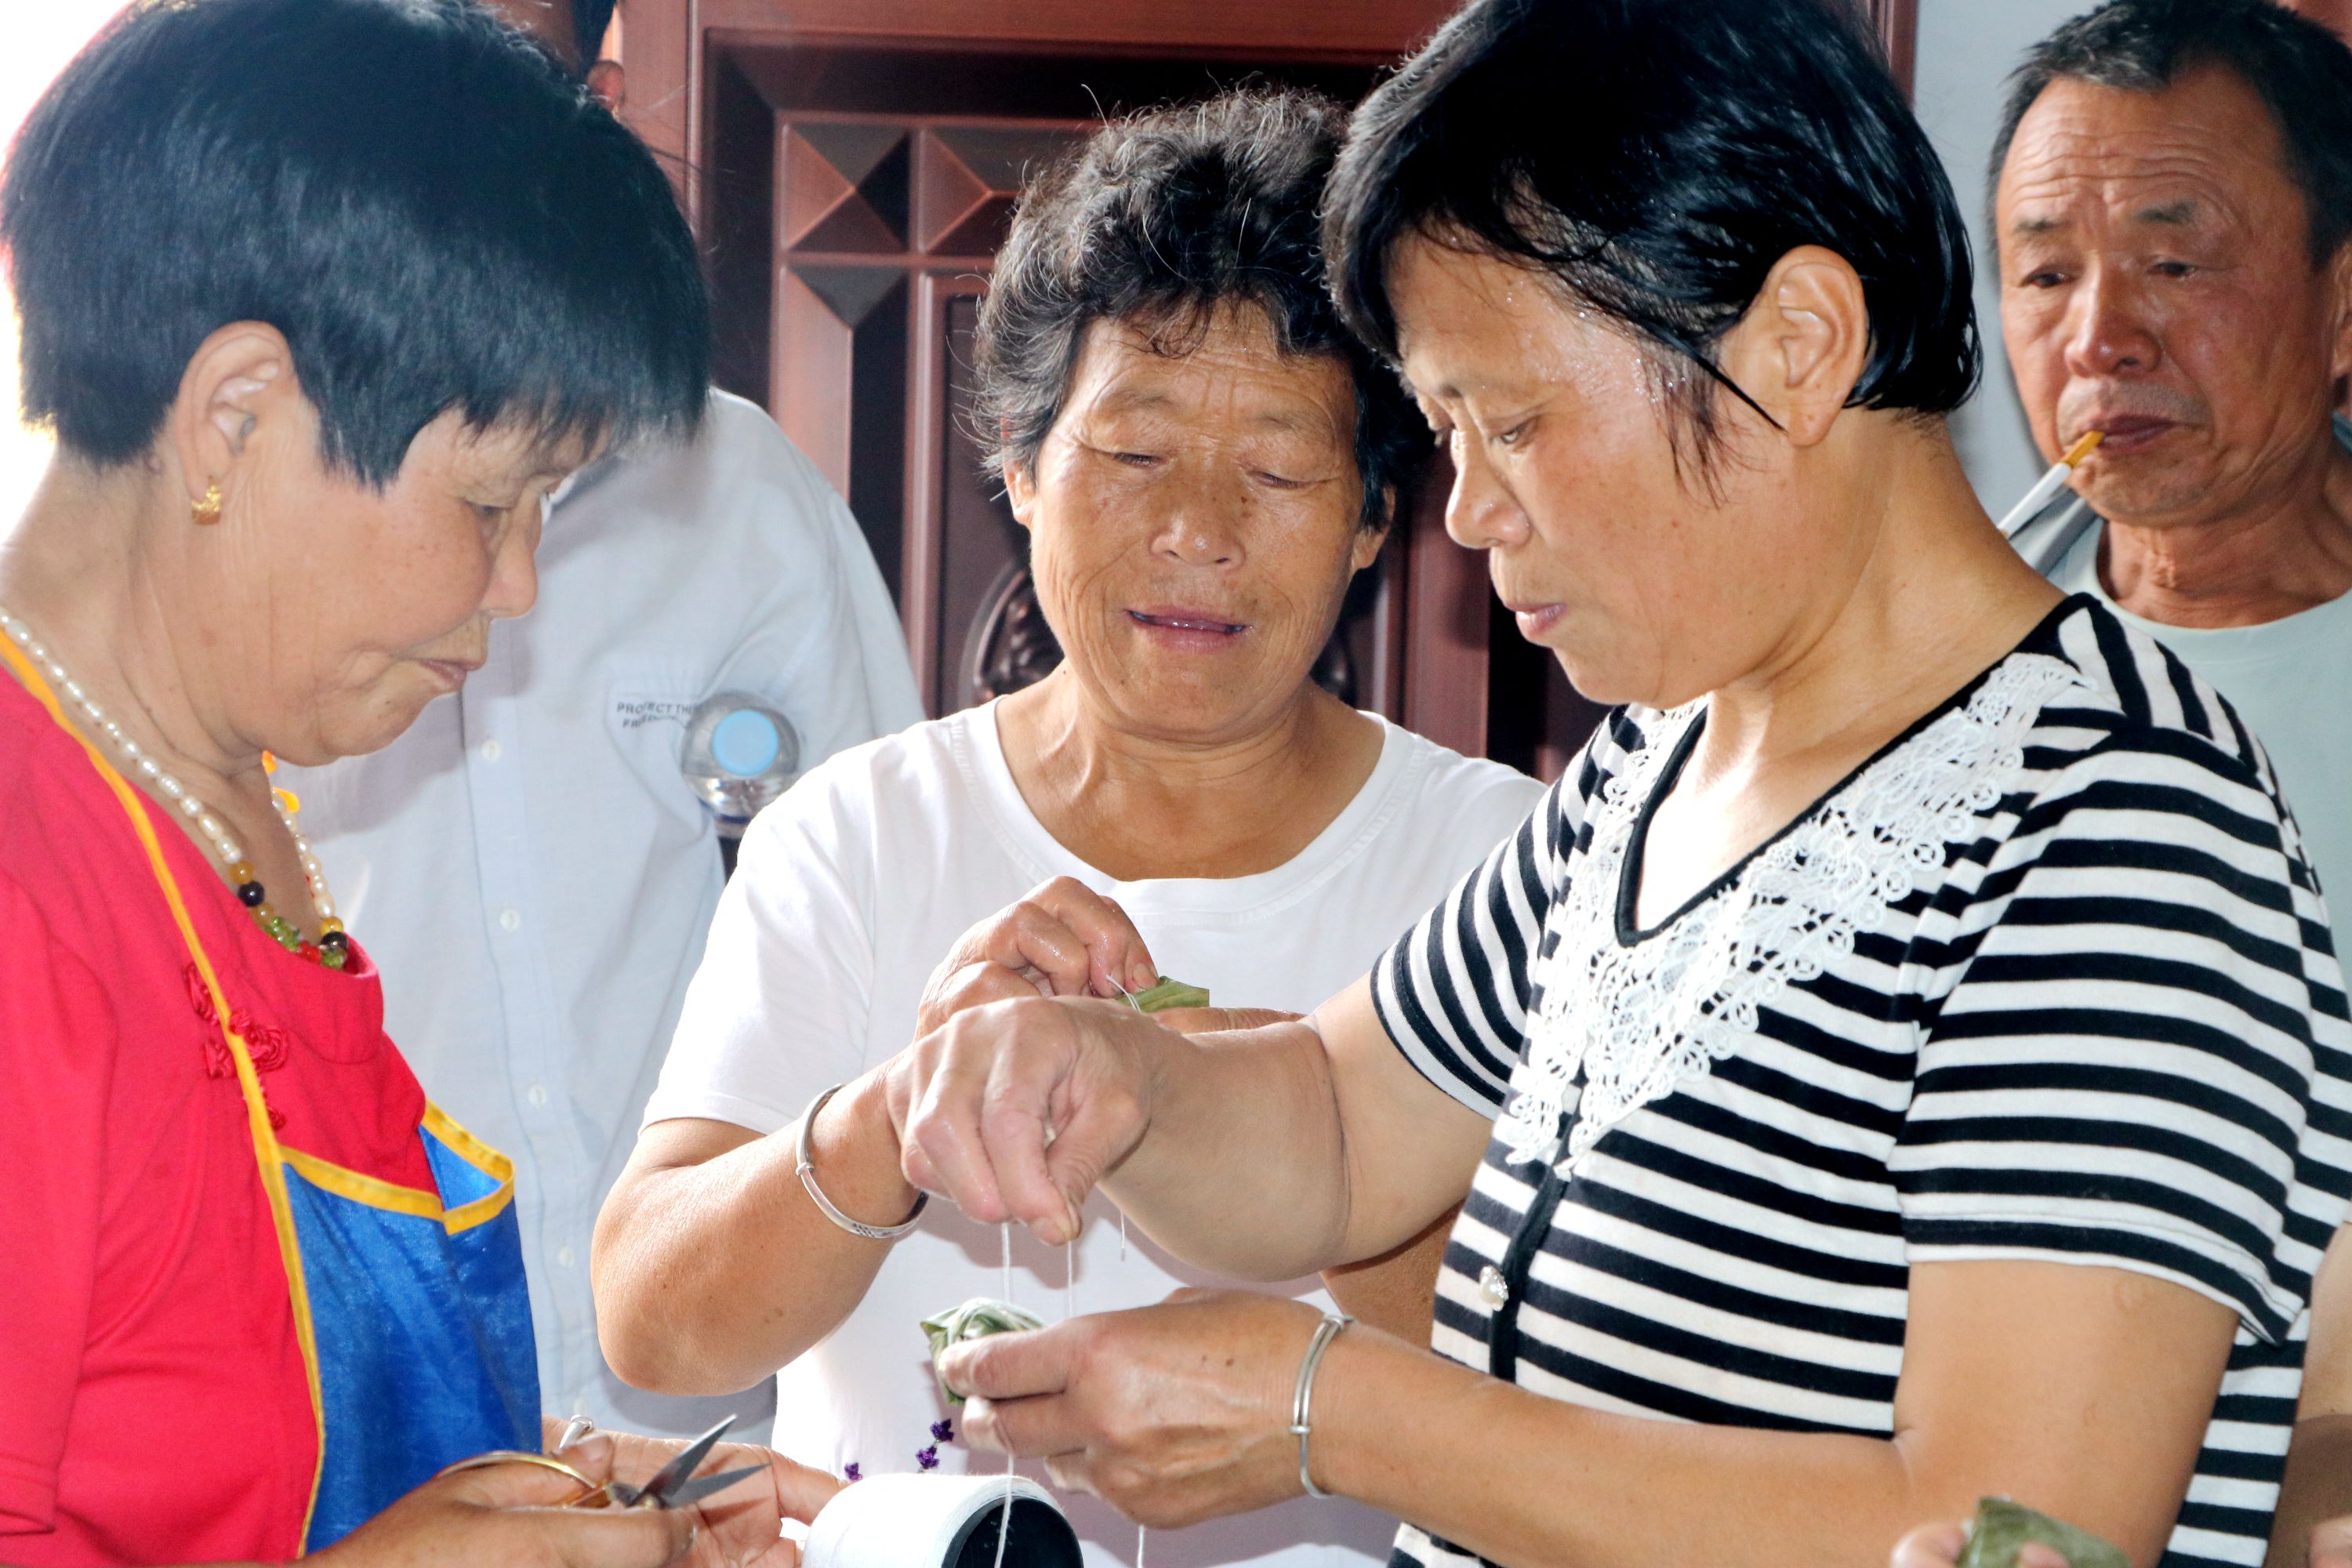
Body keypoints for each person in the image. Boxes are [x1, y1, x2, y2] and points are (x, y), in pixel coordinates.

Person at [864, 2, 2352, 1566]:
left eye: (1511, 421)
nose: (1469, 511)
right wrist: (1117, 1082)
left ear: (1798, 346)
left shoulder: (2119, 833)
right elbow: (1344, 1125)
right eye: (1446, 430)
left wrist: (1340, 1414)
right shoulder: (1665, 755)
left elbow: (1997, 1528)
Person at [591, 88, 1544, 1567]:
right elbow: (655, 1324)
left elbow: (1584, 1398)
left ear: (1374, 517)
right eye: (1135, 455)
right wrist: (899, 1114)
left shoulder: (1510, 870)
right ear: (1023, 468)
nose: (1197, 530)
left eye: (1279, 470)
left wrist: (1286, 1135)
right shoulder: (860, 835)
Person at [0, 1, 833, 1561]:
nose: (517, 589)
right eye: (491, 502)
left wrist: (579, 1497)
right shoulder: (28, 875)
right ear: (235, 419)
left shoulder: (228, 817)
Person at [274, 0, 922, 1441]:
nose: (448, 122)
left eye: (497, 69)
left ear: (601, 103)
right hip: (361, 1423)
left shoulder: (740, 497)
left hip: (713, 1427)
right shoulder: (255, 507)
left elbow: (890, 946)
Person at [1984, 5, 2352, 1561]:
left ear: (2345, 301)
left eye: (2176, 263)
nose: (2101, 339)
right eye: (2045, 274)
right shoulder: (1936, 666)